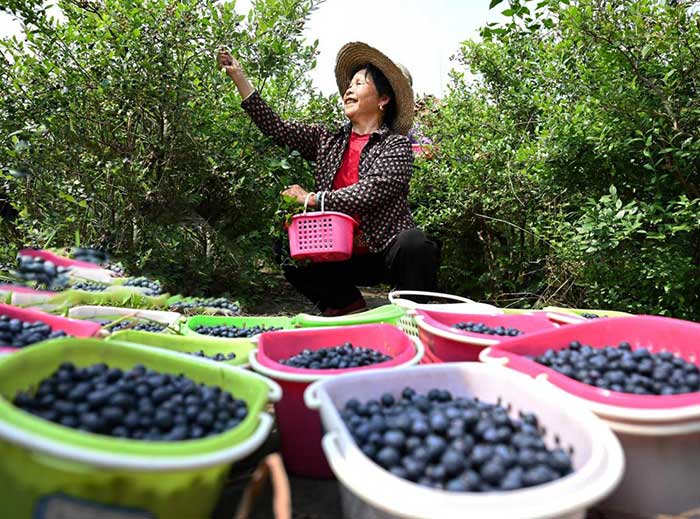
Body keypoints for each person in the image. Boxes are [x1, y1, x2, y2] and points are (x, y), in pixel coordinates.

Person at [217, 42, 440, 316]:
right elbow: (277, 128)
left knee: (416, 245)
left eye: (359, 83)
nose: (349, 89)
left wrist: (313, 198)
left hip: (382, 249)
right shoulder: (328, 140)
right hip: (335, 250)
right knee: (286, 244)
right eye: (350, 84)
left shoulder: (395, 145)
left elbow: (373, 190)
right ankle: (346, 307)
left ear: (383, 99)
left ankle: (412, 317)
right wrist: (239, 77)